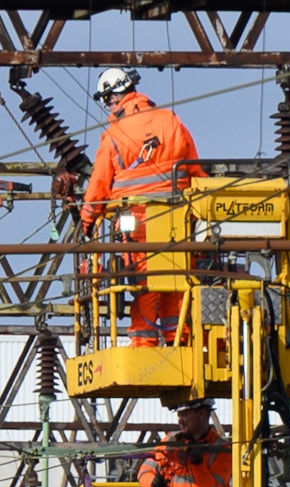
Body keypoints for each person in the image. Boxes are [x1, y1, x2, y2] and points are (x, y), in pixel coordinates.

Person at [80, 68, 207, 347]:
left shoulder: (114, 134)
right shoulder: (171, 121)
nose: (107, 106)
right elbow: (196, 172)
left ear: (114, 96)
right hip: (179, 220)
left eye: (106, 99)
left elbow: (100, 184)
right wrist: (203, 214)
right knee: (176, 278)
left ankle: (143, 344)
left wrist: (87, 221)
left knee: (145, 283)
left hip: (136, 224)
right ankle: (180, 340)